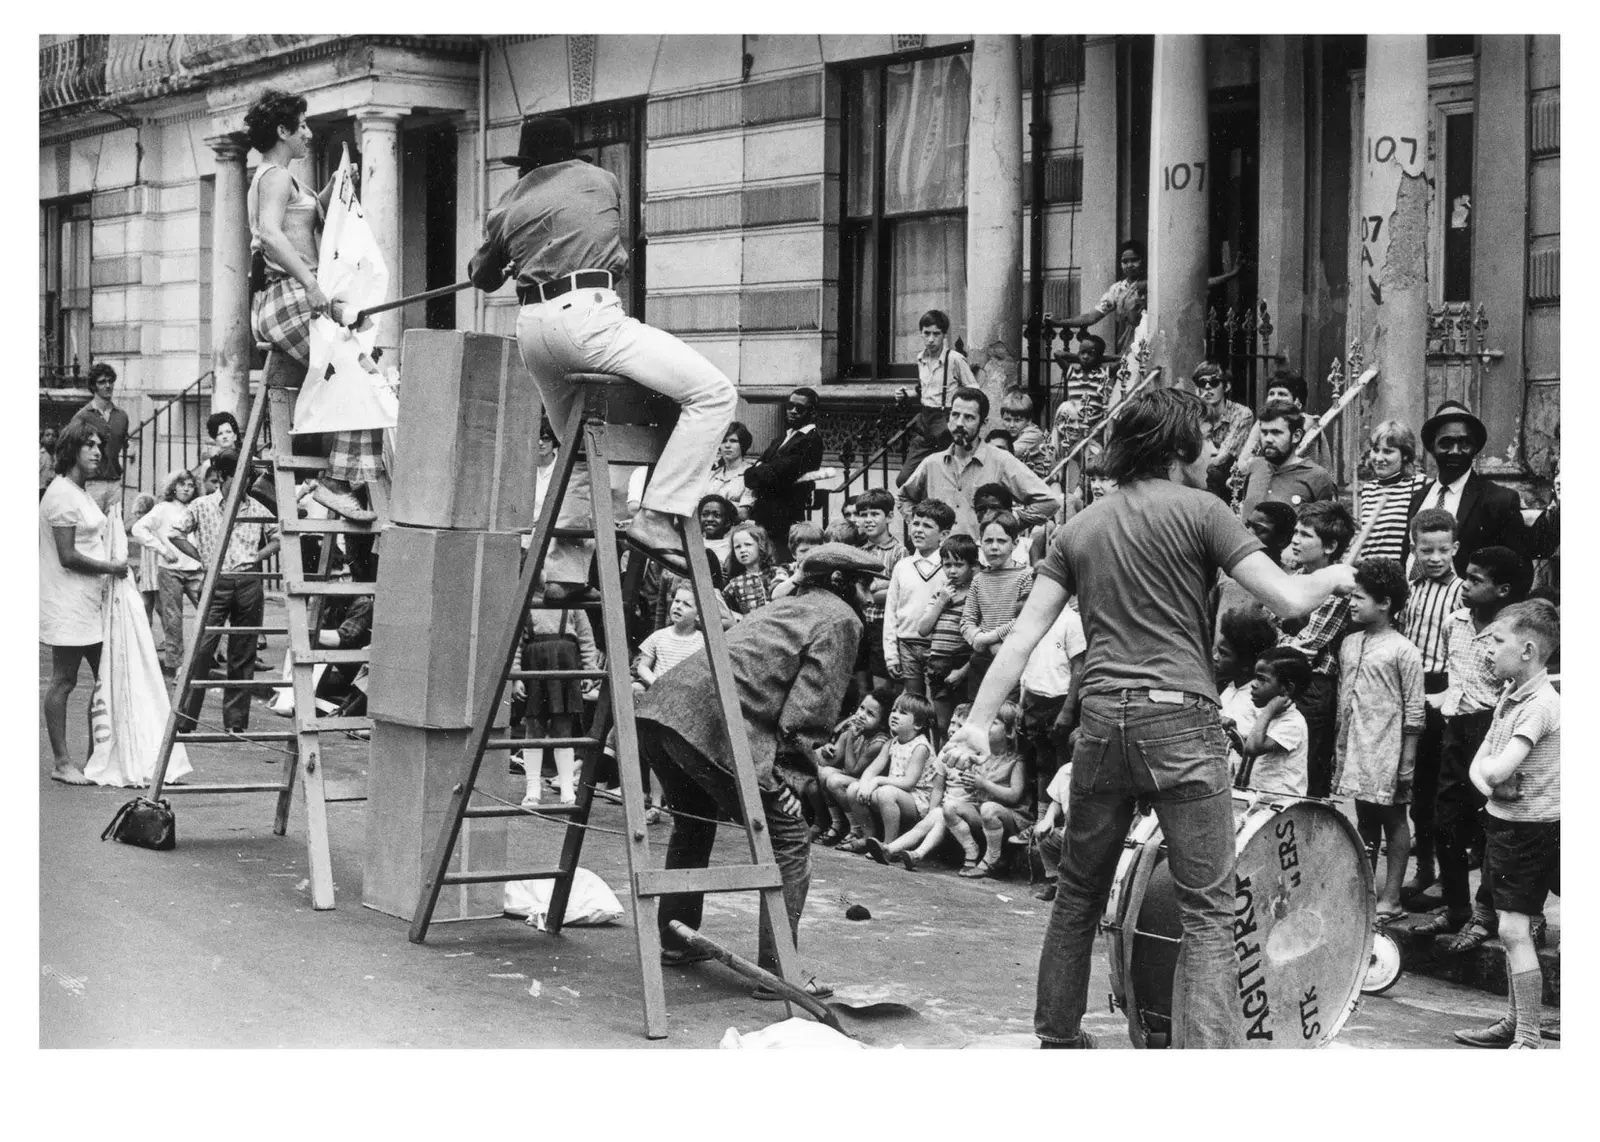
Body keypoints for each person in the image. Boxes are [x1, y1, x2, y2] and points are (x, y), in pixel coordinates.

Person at [949, 387, 1356, 1050]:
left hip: (1104, 720)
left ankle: (1058, 1034)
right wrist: (1335, 575)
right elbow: (1286, 597)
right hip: (1181, 719)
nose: (1211, 454)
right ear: (1178, 448)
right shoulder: (1206, 511)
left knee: (1078, 890)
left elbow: (1022, 637)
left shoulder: (1079, 527)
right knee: (1209, 910)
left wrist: (976, 720)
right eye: (1201, 440)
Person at [469, 116, 736, 597]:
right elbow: (619, 255)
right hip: (586, 315)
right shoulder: (602, 180)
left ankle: (567, 576)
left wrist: (515, 254)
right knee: (714, 393)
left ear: (527, 162)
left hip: (533, 330)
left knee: (575, 443)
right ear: (574, 156)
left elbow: (482, 277)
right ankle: (660, 514)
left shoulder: (509, 202)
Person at [636, 543, 881, 996]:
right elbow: (808, 711)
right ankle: (780, 969)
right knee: (788, 836)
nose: (870, 599)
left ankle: (673, 938)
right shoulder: (841, 618)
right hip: (706, 725)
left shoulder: (787, 603)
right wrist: (787, 778)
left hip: (660, 713)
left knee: (693, 824)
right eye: (865, 586)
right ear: (841, 584)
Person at [244, 89, 382, 524]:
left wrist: (336, 188)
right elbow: (269, 232)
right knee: (359, 372)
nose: (307, 133)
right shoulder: (275, 176)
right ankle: (337, 484)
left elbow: (303, 217)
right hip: (288, 295)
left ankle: (284, 476)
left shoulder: (285, 178)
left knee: (357, 367)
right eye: (301, 126)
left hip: (288, 297)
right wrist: (311, 285)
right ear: (283, 131)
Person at [1454, 599, 1560, 1049]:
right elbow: (1483, 768)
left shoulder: (1539, 705)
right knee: (1510, 927)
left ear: (1529, 650)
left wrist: (1490, 780)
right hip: (1506, 823)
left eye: (1498, 642)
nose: (1488, 650)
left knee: (1514, 930)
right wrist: (1491, 784)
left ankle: (1530, 1038)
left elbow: (1492, 771)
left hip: (1528, 830)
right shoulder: (1510, 696)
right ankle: (1516, 1024)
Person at [1413, 546, 1530, 947]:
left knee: (1493, 828)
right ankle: (1455, 908)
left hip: (1493, 733)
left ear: (1503, 590)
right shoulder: (1454, 622)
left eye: (1477, 580)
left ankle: (1487, 915)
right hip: (1455, 731)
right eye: (1467, 575)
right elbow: (1453, 676)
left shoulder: (1513, 635)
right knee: (1445, 823)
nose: (1465, 584)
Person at [40, 420, 130, 784]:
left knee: (104, 677)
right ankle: (62, 762)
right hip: (67, 603)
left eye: (99, 445)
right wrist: (112, 567)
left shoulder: (79, 491)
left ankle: (98, 756)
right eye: (89, 445)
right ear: (71, 450)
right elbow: (67, 555)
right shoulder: (61, 493)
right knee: (64, 680)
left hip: (91, 602)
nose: (97, 452)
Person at [1335, 558, 1425, 921]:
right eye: (1351, 597)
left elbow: (1415, 712)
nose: (1352, 603)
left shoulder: (1404, 650)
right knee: (1365, 819)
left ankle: (1391, 897)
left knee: (1394, 819)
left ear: (1385, 603)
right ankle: (1367, 889)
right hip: (1356, 747)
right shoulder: (1349, 643)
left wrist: (1407, 761)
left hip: (1389, 750)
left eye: (1360, 598)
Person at [170, 451, 280, 735]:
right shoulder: (201, 506)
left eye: (247, 479)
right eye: (236, 478)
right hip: (216, 580)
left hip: (248, 582)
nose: (242, 485)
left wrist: (258, 557)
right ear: (222, 477)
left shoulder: (256, 507)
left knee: (243, 651)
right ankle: (186, 719)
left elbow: (279, 537)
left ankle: (235, 723)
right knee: (203, 648)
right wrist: (202, 558)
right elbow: (175, 534)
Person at [1398, 509, 1466, 902]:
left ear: (1454, 547)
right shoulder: (1413, 588)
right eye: (1427, 550)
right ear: (1415, 548)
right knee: (1418, 791)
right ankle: (1423, 869)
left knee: (1444, 791)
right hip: (1415, 688)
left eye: (1443, 549)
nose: (1435, 558)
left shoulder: (1461, 591)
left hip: (1446, 690)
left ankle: (1446, 874)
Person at [898, 386, 1062, 541]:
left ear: (983, 424)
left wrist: (1007, 527)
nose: (960, 423)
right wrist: (921, 527)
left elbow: (1048, 502)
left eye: (969, 417)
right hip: (941, 563)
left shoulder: (1001, 460)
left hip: (983, 563)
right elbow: (903, 497)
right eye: (955, 415)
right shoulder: (932, 463)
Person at [1280, 501, 1357, 797]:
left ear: (1330, 546)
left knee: (1310, 769)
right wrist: (1285, 643)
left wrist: (1283, 642)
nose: (1295, 540)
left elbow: (1309, 644)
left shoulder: (1339, 587)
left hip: (1314, 685)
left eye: (1305, 535)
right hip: (1284, 677)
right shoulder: (1296, 579)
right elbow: (1268, 624)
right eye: (1296, 532)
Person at [1403, 401, 1529, 576]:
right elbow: (1407, 557)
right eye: (1446, 443)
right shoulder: (1419, 498)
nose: (1455, 451)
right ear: (1432, 447)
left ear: (1475, 448)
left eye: (1464, 443)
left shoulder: (1499, 501)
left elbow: (1517, 569)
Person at [513, 577, 600, 808]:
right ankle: (532, 788)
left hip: (565, 666)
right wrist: (517, 677)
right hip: (536, 668)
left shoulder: (573, 605)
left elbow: (586, 639)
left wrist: (588, 672)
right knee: (534, 728)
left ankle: (567, 787)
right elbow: (516, 645)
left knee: (563, 728)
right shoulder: (526, 604)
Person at [942, 703, 1032, 878]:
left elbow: (1014, 796)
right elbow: (976, 788)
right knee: (950, 808)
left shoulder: (1016, 761)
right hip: (984, 812)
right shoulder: (981, 756)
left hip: (1011, 817)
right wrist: (970, 782)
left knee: (989, 809)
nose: (988, 726)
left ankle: (992, 858)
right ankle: (971, 850)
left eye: (995, 722)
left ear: (1009, 732)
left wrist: (983, 784)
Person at [839, 693, 937, 849]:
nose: (895, 716)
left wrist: (877, 781)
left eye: (903, 713)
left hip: (916, 802)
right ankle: (868, 837)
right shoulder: (892, 743)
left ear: (917, 724)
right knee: (854, 789)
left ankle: (889, 845)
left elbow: (908, 783)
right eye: (894, 711)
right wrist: (865, 785)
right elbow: (871, 770)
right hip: (893, 794)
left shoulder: (920, 747)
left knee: (886, 792)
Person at [897, 308, 977, 485]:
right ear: (921, 334)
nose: (931, 339)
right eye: (927, 333)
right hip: (925, 421)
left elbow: (974, 392)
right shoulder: (920, 359)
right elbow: (924, 391)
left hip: (946, 421)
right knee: (905, 479)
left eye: (936, 334)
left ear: (944, 335)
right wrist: (905, 394)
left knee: (946, 478)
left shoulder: (955, 359)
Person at [745, 387, 825, 563]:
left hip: (784, 518)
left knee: (780, 564)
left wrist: (762, 468)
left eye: (800, 408)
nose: (793, 411)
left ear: (812, 413)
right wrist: (761, 469)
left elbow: (774, 475)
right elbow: (749, 476)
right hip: (764, 516)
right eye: (790, 406)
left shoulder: (810, 441)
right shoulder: (782, 438)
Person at [883, 499, 954, 698]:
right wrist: (891, 655)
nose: (918, 530)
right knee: (914, 702)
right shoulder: (902, 566)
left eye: (927, 526)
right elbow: (891, 612)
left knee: (937, 701)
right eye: (916, 523)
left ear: (944, 534)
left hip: (938, 647)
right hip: (906, 644)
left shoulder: (950, 567)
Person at [960, 512, 1033, 698]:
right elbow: (967, 620)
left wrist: (991, 637)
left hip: (1013, 658)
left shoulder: (1026, 576)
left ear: (1015, 544)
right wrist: (976, 638)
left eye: (1001, 541)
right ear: (980, 543)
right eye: (988, 541)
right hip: (982, 657)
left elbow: (1025, 620)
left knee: (1006, 714)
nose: (994, 547)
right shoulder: (979, 580)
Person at [809, 688, 893, 846]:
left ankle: (856, 828)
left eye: (870, 714)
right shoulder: (856, 730)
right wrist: (828, 748)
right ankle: (837, 822)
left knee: (834, 780)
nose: (861, 715)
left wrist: (849, 739)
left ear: (882, 723)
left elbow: (852, 770)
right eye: (861, 708)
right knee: (823, 772)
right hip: (853, 781)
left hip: (865, 786)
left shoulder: (879, 742)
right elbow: (832, 761)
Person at [920, 533, 979, 736]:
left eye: (959, 565)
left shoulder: (976, 594)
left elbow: (980, 642)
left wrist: (962, 671)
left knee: (962, 724)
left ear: (973, 566)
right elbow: (923, 629)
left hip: (962, 663)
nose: (952, 570)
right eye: (947, 565)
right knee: (940, 724)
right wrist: (941, 601)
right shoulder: (941, 592)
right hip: (938, 663)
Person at [1237, 400, 1337, 519]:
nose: (1268, 439)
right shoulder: (1255, 466)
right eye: (1264, 432)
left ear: (1296, 436)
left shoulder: (1317, 477)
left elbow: (1326, 529)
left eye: (1276, 433)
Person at [1239, 647, 1312, 796]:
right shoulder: (1268, 716)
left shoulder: (1293, 723)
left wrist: (1269, 710)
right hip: (1260, 800)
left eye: (1262, 679)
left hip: (1281, 807)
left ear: (1287, 689)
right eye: (1255, 677)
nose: (1253, 684)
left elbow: (1253, 748)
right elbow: (1248, 747)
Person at [852, 488, 905, 692]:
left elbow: (897, 593)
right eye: (863, 515)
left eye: (875, 514)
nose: (868, 520)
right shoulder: (859, 552)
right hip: (862, 622)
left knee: (881, 680)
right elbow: (856, 590)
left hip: (883, 624)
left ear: (889, 516)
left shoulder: (898, 552)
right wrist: (879, 587)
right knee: (861, 678)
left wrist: (870, 590)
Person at [1355, 419, 1428, 565]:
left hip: (1400, 575)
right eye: (1375, 450)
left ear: (1405, 455)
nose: (1379, 458)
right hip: (1372, 574)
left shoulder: (1419, 485)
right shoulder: (1368, 489)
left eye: (1388, 451)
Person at [67, 362, 130, 514]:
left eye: (110, 381)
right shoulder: (82, 416)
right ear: (93, 386)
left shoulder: (122, 416)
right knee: (91, 533)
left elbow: (124, 446)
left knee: (114, 533)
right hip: (91, 484)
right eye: (102, 382)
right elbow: (69, 451)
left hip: (114, 484)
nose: (108, 386)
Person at [1193, 361, 1255, 501]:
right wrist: (1198, 407)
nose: (1208, 387)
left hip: (1229, 473)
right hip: (1203, 468)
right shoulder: (1195, 414)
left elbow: (1223, 457)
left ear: (1226, 387)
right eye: (1202, 383)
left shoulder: (1242, 414)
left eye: (1214, 382)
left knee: (1212, 473)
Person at [721, 521, 779, 617]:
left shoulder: (777, 573)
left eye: (748, 544)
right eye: (737, 547)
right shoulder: (735, 584)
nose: (743, 550)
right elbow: (724, 610)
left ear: (761, 546)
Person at [999, 387, 1052, 478]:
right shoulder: (1011, 435)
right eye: (1007, 420)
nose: (1011, 425)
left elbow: (1007, 453)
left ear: (1029, 421)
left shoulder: (1033, 434)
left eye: (1017, 420)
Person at [707, 421, 758, 514]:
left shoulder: (751, 474)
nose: (727, 445)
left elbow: (744, 513)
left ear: (743, 445)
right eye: (723, 441)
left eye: (733, 441)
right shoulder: (712, 474)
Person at [127, 493, 160, 624]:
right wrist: (141, 570)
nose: (137, 516)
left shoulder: (156, 528)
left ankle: (166, 637)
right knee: (146, 606)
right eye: (136, 513)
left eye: (140, 512)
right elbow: (143, 553)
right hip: (147, 570)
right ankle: (147, 639)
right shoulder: (140, 530)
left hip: (157, 571)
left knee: (160, 607)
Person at [39, 426, 58, 500]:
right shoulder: (40, 455)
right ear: (42, 439)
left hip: (55, 491)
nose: (50, 437)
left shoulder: (59, 456)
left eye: (53, 435)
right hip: (41, 491)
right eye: (47, 435)